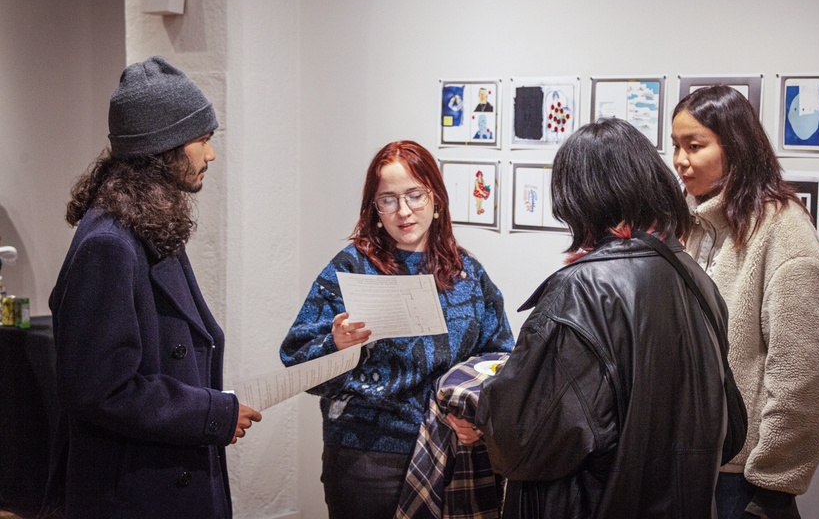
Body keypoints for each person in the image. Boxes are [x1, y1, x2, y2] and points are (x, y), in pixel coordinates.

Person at [468, 117, 730, 518]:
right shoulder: (694, 278)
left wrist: (485, 398)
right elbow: (728, 428)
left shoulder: (582, 290)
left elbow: (519, 440)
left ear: (580, 199)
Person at [42, 56, 262, 518]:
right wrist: (212, 414)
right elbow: (97, 390)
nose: (211, 154)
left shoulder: (145, 225)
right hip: (133, 492)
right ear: (162, 148)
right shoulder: (109, 245)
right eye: (202, 140)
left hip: (159, 477)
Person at [279, 140, 514, 519]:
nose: (403, 211)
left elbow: (500, 359)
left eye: (414, 195)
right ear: (374, 209)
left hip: (451, 447)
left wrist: (478, 417)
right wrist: (336, 344)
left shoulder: (467, 272)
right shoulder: (352, 267)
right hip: (369, 457)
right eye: (387, 200)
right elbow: (297, 363)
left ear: (436, 199)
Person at [671, 86, 819, 519]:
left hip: (743, 479)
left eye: (695, 146)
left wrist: (774, 482)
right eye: (676, 146)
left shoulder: (782, 227)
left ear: (736, 146)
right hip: (686, 463)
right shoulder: (688, 224)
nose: (681, 160)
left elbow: (803, 366)